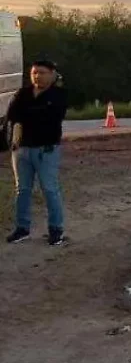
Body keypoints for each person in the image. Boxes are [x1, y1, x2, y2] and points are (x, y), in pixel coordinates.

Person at [5, 60, 69, 246]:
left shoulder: (58, 95)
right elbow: (12, 114)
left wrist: (23, 118)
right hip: (22, 149)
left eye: (41, 72)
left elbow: (50, 116)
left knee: (50, 189)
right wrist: (19, 123)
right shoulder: (23, 93)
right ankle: (22, 228)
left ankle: (56, 230)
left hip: (46, 150)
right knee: (22, 190)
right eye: (34, 72)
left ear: (52, 74)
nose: (37, 76)